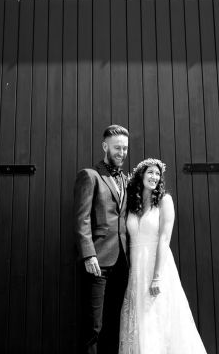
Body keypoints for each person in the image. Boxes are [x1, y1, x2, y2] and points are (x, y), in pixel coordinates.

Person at [118, 158, 207, 354]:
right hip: (136, 270)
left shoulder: (165, 201)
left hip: (157, 266)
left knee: (157, 318)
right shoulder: (133, 203)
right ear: (141, 175)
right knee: (139, 319)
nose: (154, 177)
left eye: (158, 174)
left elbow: (164, 239)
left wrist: (157, 276)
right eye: (150, 172)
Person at [74, 124, 131, 354]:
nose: (122, 152)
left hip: (122, 263)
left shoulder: (126, 180)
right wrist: (89, 254)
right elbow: (81, 219)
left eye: (125, 148)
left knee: (115, 324)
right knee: (93, 326)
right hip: (97, 263)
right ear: (105, 146)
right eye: (117, 147)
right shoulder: (90, 176)